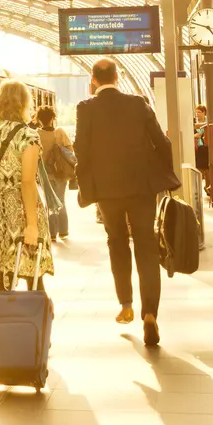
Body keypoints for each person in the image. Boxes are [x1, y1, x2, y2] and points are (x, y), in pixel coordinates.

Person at [75, 59, 174, 347]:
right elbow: (162, 143)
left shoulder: (85, 108)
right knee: (145, 245)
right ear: (117, 77)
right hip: (141, 188)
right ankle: (150, 314)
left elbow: (82, 150)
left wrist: (87, 189)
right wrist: (163, 179)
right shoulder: (138, 103)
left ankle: (126, 303)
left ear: (93, 80)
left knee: (117, 241)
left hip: (107, 192)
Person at [0, 81, 54, 289]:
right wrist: (32, 225)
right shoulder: (27, 135)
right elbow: (27, 182)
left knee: (0, 278)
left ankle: (1, 319)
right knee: (33, 274)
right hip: (21, 208)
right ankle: (35, 319)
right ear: (24, 104)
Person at [35, 105, 73, 241]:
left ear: (38, 119)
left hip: (45, 174)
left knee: (49, 201)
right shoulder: (60, 132)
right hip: (61, 173)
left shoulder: (36, 134)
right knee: (61, 200)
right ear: (53, 118)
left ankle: (52, 233)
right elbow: (70, 152)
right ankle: (63, 231)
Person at [192, 104, 209, 175]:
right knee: (199, 167)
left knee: (207, 167)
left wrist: (199, 134)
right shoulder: (193, 121)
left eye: (199, 112)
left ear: (204, 112)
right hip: (196, 148)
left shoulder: (208, 122)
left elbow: (199, 135)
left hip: (206, 146)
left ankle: (208, 184)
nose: (197, 114)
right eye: (196, 112)